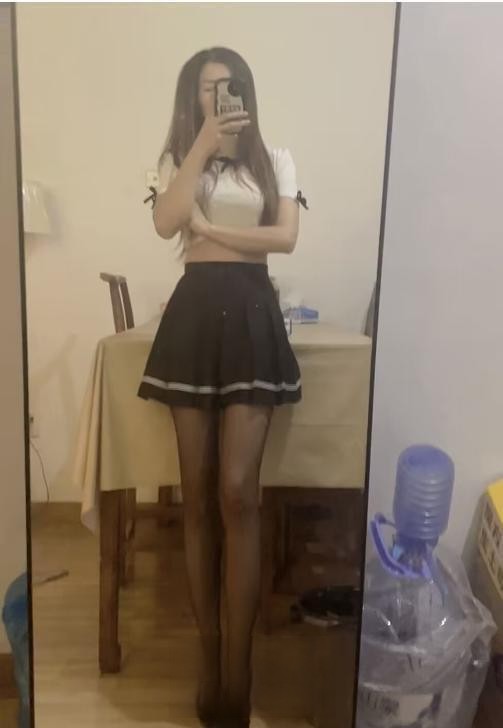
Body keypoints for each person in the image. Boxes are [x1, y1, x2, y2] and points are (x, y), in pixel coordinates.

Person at [138, 47, 302, 727]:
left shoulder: (275, 160)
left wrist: (211, 232)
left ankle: (241, 663)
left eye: (229, 87)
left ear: (247, 93)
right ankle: (209, 658)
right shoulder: (178, 159)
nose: (219, 98)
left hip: (254, 311)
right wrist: (202, 147)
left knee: (239, 492)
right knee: (198, 496)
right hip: (195, 315)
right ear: (192, 99)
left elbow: (285, 240)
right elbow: (165, 223)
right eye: (206, 90)